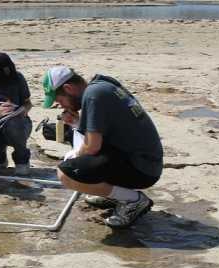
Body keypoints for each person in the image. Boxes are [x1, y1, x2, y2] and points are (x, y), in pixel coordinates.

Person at [42, 67, 163, 228]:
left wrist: (74, 156)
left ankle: (133, 200)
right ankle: (117, 195)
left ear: (68, 89)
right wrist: (77, 124)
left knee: (65, 174)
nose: (61, 106)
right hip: (143, 159)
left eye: (60, 100)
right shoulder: (100, 85)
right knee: (79, 159)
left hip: (143, 168)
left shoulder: (94, 95)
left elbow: (92, 147)